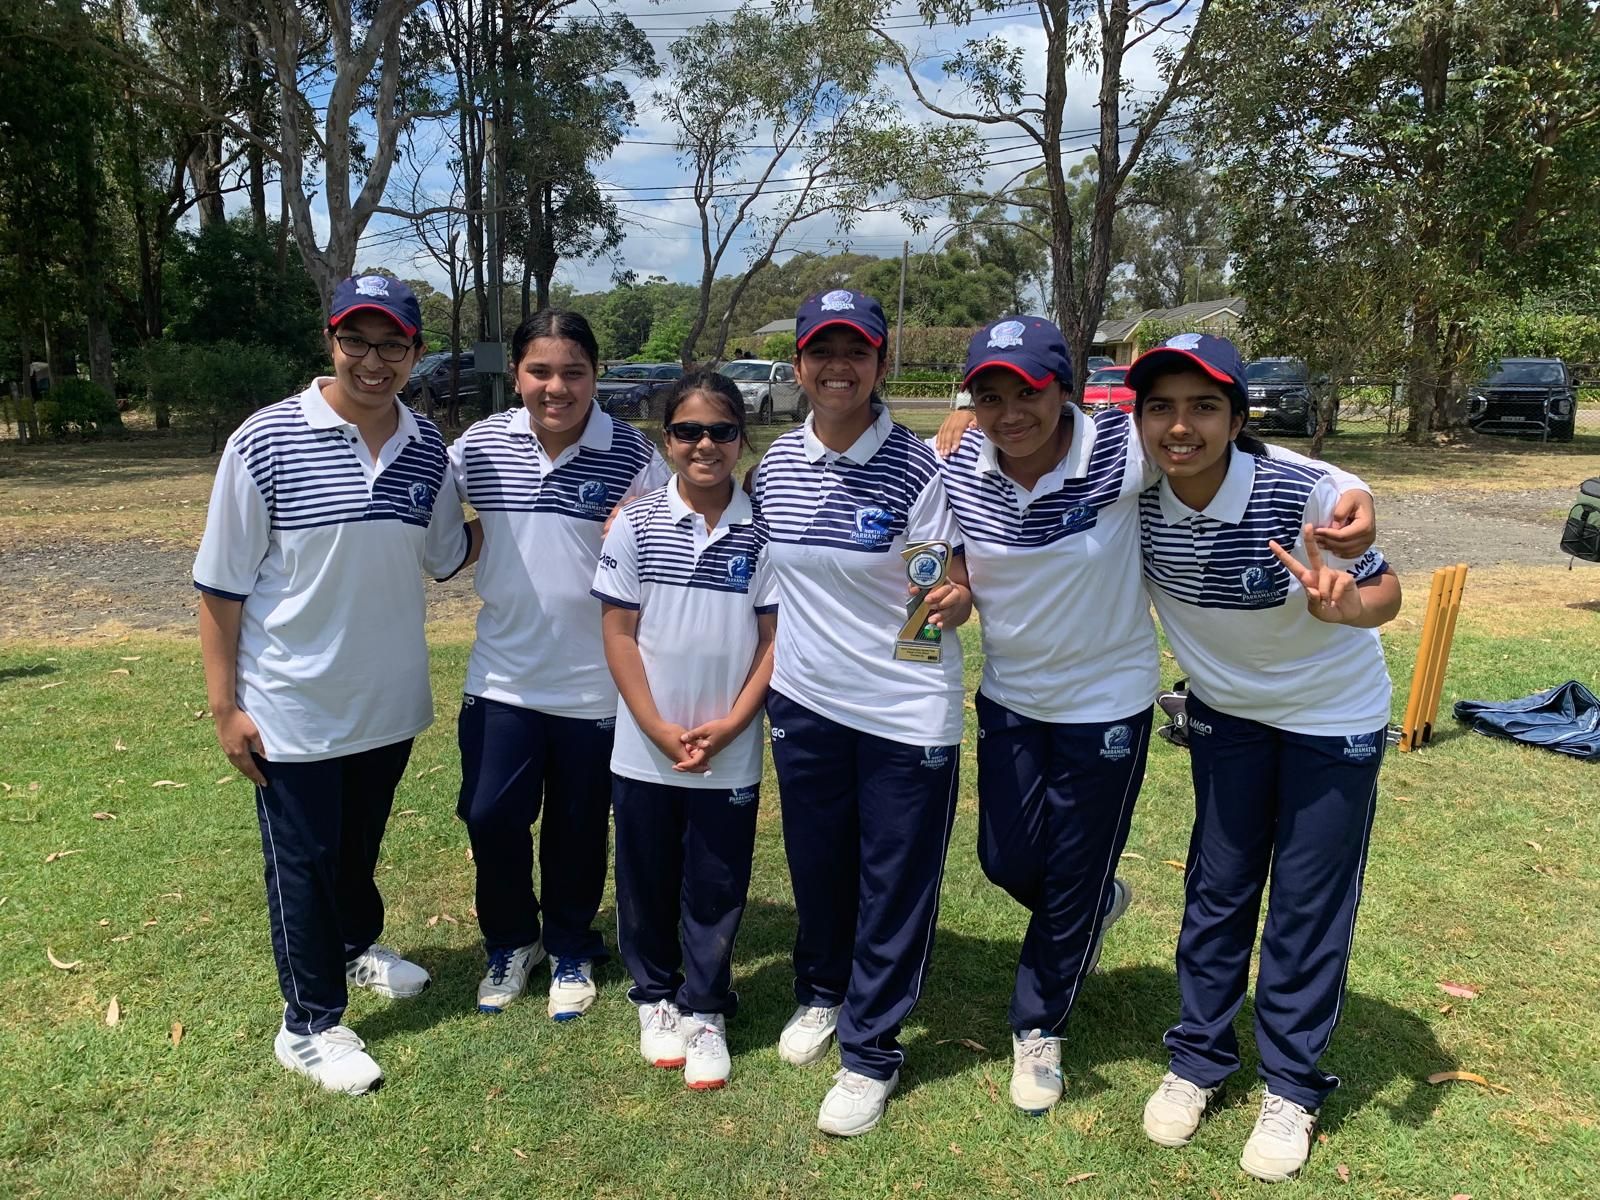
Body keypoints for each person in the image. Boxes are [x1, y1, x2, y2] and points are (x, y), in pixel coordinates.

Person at [937, 318, 1378, 1118]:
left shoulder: (1124, 448)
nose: (1011, 412)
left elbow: (1283, 467)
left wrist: (1359, 497)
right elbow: (949, 541)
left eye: (1029, 392)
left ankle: (1040, 1026)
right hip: (1018, 697)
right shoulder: (963, 458)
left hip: (1110, 702)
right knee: (1007, 860)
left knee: (1093, 876)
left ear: (1065, 390)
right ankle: (1097, 913)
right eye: (990, 395)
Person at [193, 274, 476, 1094]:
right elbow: (220, 587)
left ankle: (354, 950)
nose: (373, 360)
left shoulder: (426, 446)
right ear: (331, 340)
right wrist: (225, 707)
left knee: (355, 851)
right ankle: (309, 1023)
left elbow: (443, 553)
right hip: (291, 705)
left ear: (417, 352)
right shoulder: (264, 440)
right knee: (305, 863)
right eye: (357, 340)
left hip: (386, 703)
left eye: (392, 343)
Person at [1128, 333, 1400, 1183]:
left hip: (1334, 718)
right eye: (1162, 408)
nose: (1181, 427)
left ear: (1238, 420)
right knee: (1219, 885)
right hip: (1228, 718)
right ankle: (1198, 1059)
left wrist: (1348, 607)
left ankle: (1291, 1085)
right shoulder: (1133, 490)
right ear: (1139, 420)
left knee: (1307, 905)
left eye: (1204, 407)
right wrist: (953, 431)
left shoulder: (1302, 490)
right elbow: (1039, 437)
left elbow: (1386, 592)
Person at [751, 289, 974, 1136]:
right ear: (800, 363)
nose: (837, 367)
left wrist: (948, 602)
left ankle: (871, 1048)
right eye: (821, 351)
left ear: (881, 364)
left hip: (901, 710)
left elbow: (931, 592)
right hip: (806, 703)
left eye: (857, 351)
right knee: (818, 864)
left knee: (892, 881)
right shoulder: (774, 463)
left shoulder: (919, 468)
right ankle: (823, 990)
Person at [450, 310, 669, 1020]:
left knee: (578, 825)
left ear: (595, 376)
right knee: (490, 816)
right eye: (540, 371)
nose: (557, 387)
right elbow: (426, 500)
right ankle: (513, 940)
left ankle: (571, 941)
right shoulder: (481, 445)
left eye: (574, 372)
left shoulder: (633, 454)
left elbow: (674, 537)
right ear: (516, 374)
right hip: (502, 676)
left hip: (595, 687)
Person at [593, 371, 778, 1090]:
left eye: (722, 431)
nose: (705, 445)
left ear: (741, 438)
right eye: (687, 431)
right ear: (665, 439)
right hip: (645, 744)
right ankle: (655, 998)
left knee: (716, 878)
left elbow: (772, 641)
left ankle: (705, 1008)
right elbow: (618, 634)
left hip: (729, 749)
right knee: (645, 874)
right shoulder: (636, 523)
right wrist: (655, 726)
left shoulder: (763, 528)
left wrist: (732, 723)